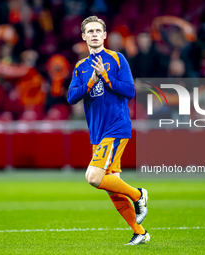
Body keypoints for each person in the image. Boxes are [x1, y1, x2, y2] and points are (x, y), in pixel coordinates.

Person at [67, 16, 149, 245]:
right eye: (89, 31)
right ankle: (140, 232)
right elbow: (72, 97)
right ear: (83, 37)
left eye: (98, 31)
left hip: (117, 126)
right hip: (97, 132)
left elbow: (130, 91)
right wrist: (92, 81)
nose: (94, 34)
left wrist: (105, 76)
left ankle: (138, 194)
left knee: (93, 177)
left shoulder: (117, 58)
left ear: (104, 35)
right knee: (112, 185)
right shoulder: (80, 67)